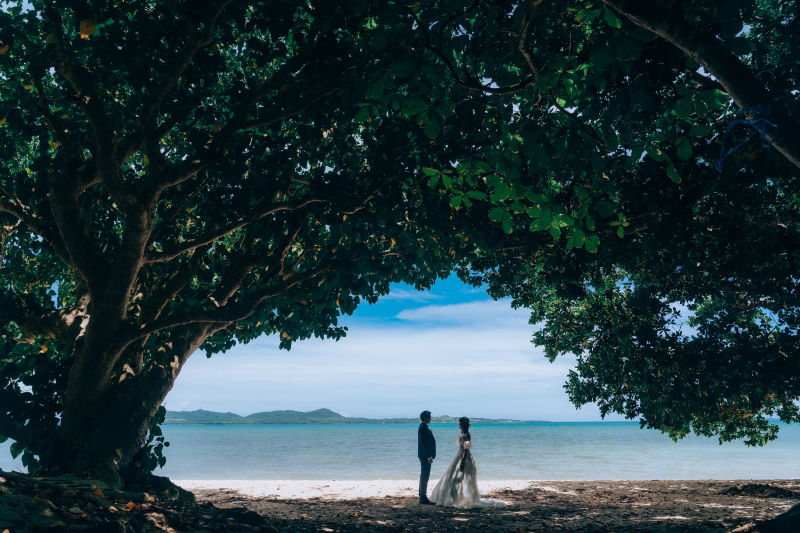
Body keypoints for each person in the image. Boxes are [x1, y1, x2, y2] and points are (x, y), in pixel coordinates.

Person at [429, 417, 508, 508]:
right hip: (459, 455)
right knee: (451, 476)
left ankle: (455, 498)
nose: (458, 425)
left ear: (462, 424)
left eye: (459, 423)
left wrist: (463, 461)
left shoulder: (467, 435)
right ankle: (451, 497)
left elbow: (466, 449)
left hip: (463, 456)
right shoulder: (463, 433)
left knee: (457, 477)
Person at [417, 410, 436, 505]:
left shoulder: (423, 427)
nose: (430, 419)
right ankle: (423, 498)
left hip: (423, 455)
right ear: (425, 418)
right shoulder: (423, 428)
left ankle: (422, 496)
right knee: (425, 476)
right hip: (425, 456)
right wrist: (429, 456)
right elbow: (424, 444)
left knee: (423, 476)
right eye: (429, 417)